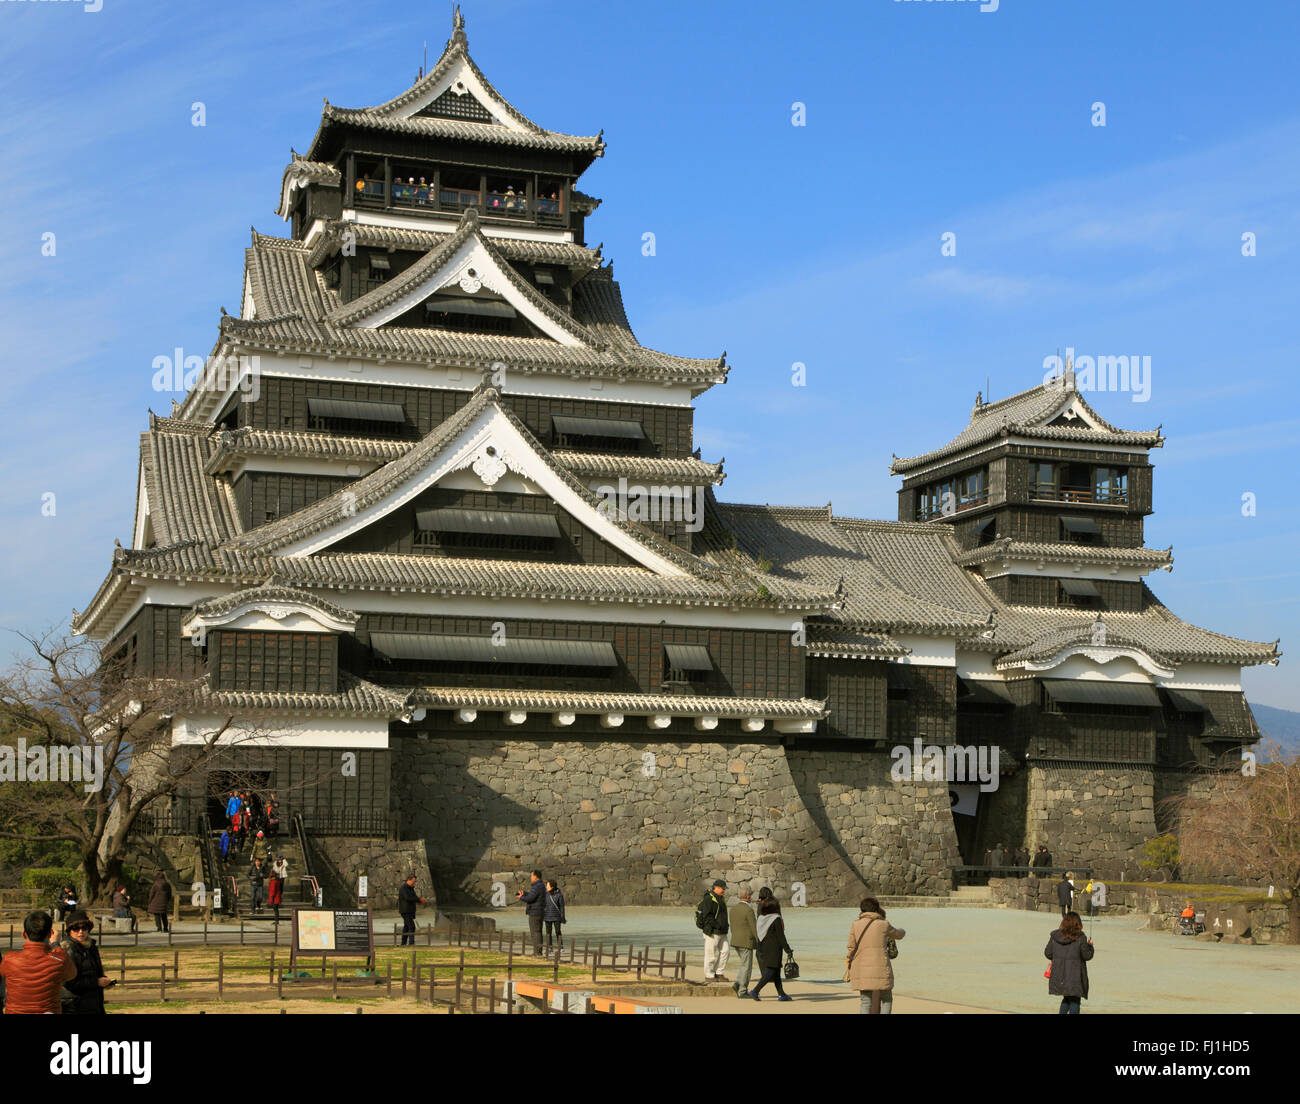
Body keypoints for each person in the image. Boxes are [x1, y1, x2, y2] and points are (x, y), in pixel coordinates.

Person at [0, 911, 76, 1014]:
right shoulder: (59, 960)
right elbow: (72, 973)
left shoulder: (9, 959)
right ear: (50, 934)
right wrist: (56, 945)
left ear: (24, 934)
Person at [846, 896, 907, 1014]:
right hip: (881, 967)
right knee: (886, 998)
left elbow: (851, 947)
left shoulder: (855, 924)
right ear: (876, 909)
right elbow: (898, 935)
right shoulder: (883, 924)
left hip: (861, 968)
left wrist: (849, 960)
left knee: (865, 1001)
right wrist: (903, 930)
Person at [60, 911, 111, 1015]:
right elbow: (68, 982)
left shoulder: (91, 947)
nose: (80, 932)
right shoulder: (68, 949)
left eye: (84, 928)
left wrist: (104, 981)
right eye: (76, 929)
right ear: (69, 931)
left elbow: (94, 972)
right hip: (74, 1004)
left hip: (92, 1003)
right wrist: (96, 982)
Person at [1045, 911, 1094, 1014]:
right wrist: (1090, 946)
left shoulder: (1055, 936)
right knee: (1075, 1000)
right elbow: (1087, 956)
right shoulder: (1081, 937)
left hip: (1060, 974)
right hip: (1075, 976)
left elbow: (1048, 953)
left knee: (1067, 998)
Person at [748, 899, 792, 1001]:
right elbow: (781, 936)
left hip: (763, 948)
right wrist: (788, 950)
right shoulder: (776, 919)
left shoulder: (761, 918)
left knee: (776, 972)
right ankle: (755, 990)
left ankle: (781, 994)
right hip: (774, 949)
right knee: (771, 970)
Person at [694, 879, 730, 982]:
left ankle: (719, 973)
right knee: (710, 955)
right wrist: (717, 925)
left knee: (726, 952)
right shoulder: (709, 899)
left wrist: (725, 926)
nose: (724, 891)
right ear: (716, 888)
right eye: (723, 889)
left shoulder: (721, 899)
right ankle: (709, 975)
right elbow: (707, 917)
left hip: (722, 931)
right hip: (712, 932)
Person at [728, 887, 758, 998]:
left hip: (735, 940)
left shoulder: (733, 909)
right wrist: (759, 941)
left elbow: (732, 925)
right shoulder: (748, 910)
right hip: (746, 941)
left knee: (744, 965)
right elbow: (754, 928)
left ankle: (737, 984)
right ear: (748, 896)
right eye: (750, 895)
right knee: (747, 967)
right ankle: (742, 990)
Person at [516, 870, 546, 954]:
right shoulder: (541, 885)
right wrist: (525, 893)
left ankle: (537, 952)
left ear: (536, 876)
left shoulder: (536, 886)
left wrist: (521, 897)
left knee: (535, 932)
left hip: (535, 912)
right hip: (539, 911)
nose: (531, 877)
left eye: (532, 876)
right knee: (538, 932)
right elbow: (533, 896)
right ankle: (538, 951)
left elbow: (530, 899)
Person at [398, 874, 425, 946]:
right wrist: (418, 899)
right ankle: (411, 943)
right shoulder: (403, 888)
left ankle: (403, 943)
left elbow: (414, 897)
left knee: (406, 927)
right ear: (409, 880)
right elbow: (407, 898)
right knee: (411, 926)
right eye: (414, 881)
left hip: (410, 911)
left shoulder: (411, 888)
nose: (414, 882)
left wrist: (419, 900)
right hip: (405, 911)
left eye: (415, 881)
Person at [542, 879, 566, 954]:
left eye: (547, 886)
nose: (546, 887)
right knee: (548, 933)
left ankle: (561, 946)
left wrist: (562, 917)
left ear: (552, 887)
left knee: (558, 931)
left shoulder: (559, 895)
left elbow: (562, 907)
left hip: (557, 916)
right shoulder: (545, 894)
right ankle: (550, 948)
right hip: (547, 916)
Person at [269, 855, 288, 921]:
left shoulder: (283, 863)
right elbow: (274, 869)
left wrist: (284, 859)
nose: (280, 860)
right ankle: (277, 920)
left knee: (280, 887)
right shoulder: (275, 863)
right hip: (277, 876)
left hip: (282, 876)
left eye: (281, 859)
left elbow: (286, 864)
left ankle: (276, 920)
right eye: (279, 859)